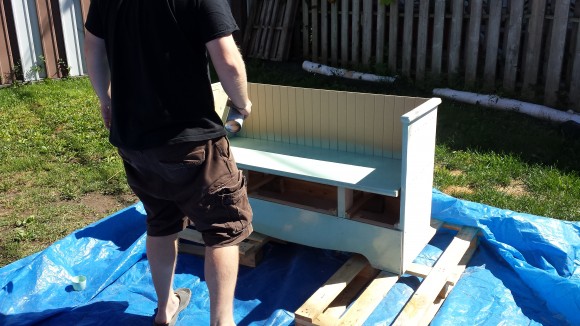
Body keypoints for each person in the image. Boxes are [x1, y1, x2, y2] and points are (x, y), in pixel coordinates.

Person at [83, 0, 253, 325]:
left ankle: (165, 309)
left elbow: (93, 47)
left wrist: (105, 100)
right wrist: (242, 104)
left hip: (134, 142)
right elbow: (229, 62)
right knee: (224, 228)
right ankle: (222, 322)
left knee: (160, 222)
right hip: (190, 143)